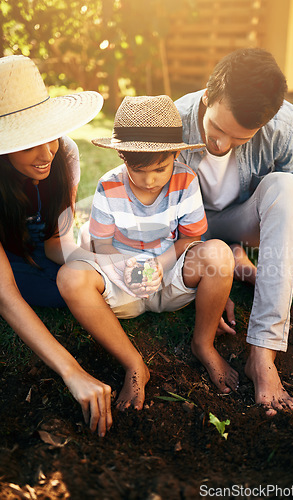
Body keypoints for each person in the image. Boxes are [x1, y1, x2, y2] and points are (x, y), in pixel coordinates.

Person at [174, 47, 293, 416]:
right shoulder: (174, 121)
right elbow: (162, 211)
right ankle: (230, 259)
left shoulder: (285, 125)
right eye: (216, 129)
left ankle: (263, 355)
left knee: (285, 185)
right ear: (208, 94)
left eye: (239, 139)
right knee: (215, 253)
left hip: (244, 220)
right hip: (189, 228)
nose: (221, 145)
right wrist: (213, 277)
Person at [56, 94, 239, 411]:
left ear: (174, 155)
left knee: (220, 254)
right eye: (138, 170)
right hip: (124, 284)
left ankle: (203, 344)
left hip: (169, 278)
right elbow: (102, 244)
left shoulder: (185, 180)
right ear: (122, 157)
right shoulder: (109, 186)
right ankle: (134, 364)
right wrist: (128, 269)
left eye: (160, 168)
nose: (150, 180)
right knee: (70, 278)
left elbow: (190, 237)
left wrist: (160, 262)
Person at [0, 54, 113, 437]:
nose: (46, 152)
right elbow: (5, 296)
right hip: (4, 258)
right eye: (29, 142)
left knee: (79, 283)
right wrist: (73, 371)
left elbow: (55, 244)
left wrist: (101, 265)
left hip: (34, 246)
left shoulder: (63, 154)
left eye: (48, 134)